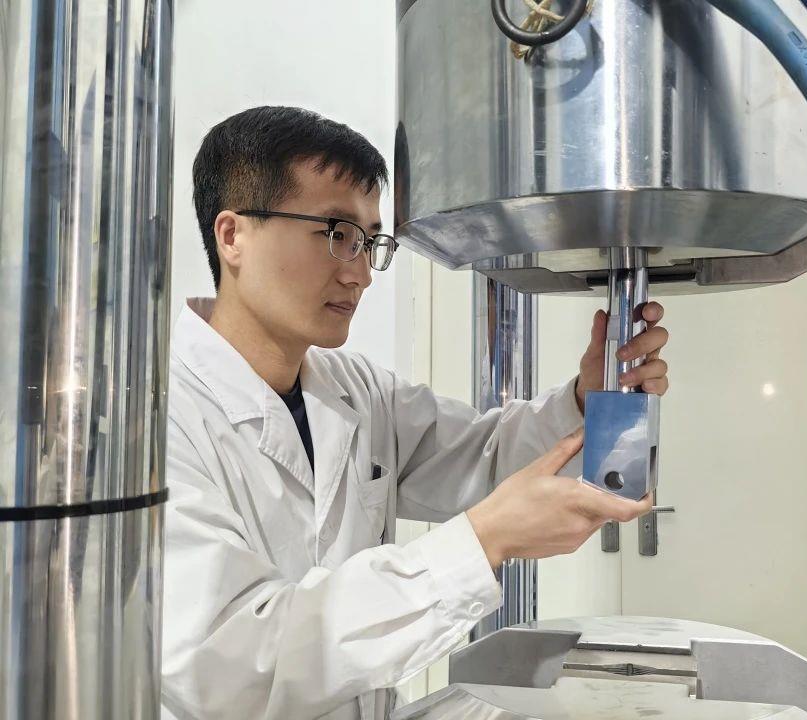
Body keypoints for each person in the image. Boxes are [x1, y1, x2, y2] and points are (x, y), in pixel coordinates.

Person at [162, 106, 671, 720]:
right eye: (336, 232)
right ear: (233, 236)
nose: (359, 274)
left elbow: (484, 457)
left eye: (369, 242)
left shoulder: (354, 390)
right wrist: (482, 542)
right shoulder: (157, 423)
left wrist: (587, 398)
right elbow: (231, 669)